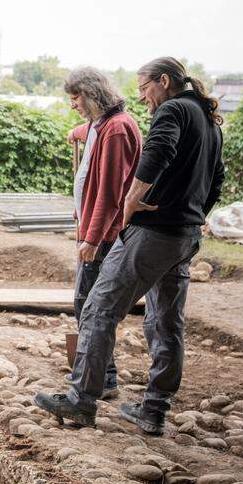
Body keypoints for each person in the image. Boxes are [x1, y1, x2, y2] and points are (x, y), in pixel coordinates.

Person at [37, 57, 224, 435]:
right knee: (166, 322)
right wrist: (193, 215)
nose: (141, 97)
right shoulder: (208, 119)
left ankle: (81, 400)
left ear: (164, 81)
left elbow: (157, 152)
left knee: (98, 308)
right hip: (184, 236)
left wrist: (131, 201)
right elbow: (217, 178)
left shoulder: (172, 110)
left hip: (153, 233)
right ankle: (154, 410)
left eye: (144, 88)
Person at [61, 67, 143, 399]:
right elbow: (92, 131)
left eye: (76, 98)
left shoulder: (117, 130)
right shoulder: (102, 124)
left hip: (106, 236)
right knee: (89, 303)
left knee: (90, 305)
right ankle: (97, 374)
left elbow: (110, 193)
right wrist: (78, 131)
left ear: (93, 94)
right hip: (97, 233)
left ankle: (103, 378)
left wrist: (92, 238)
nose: (73, 104)